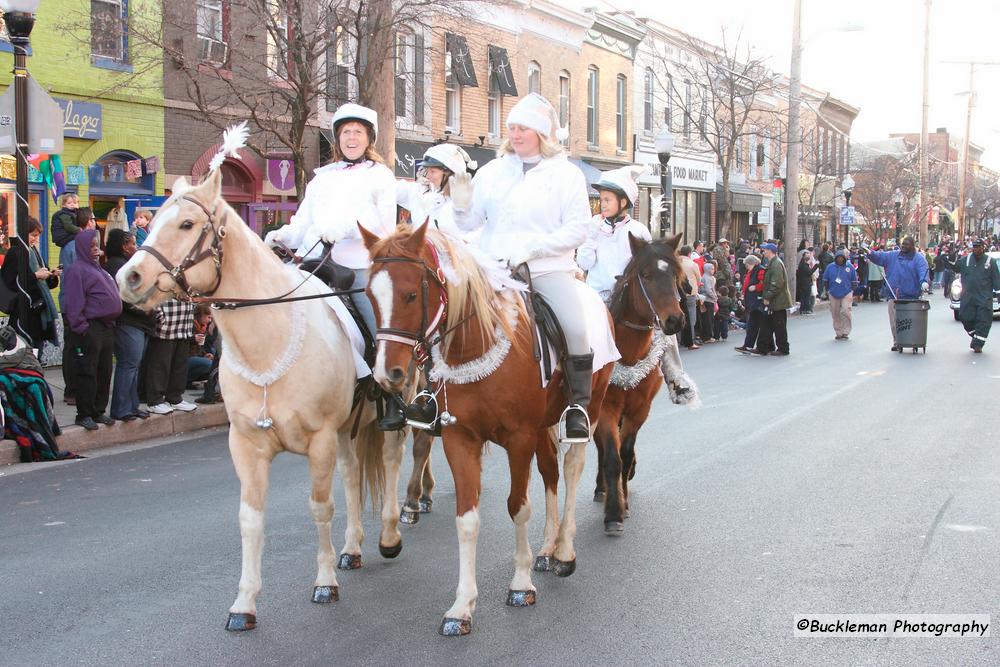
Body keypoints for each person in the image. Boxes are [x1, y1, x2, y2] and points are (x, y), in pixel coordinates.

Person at [450, 93, 594, 442]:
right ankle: (432, 392)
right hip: (492, 268)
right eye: (511, 127)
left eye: (523, 128)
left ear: (542, 133)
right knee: (446, 312)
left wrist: (535, 247)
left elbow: (578, 228)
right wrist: (461, 202)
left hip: (545, 269)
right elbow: (470, 224)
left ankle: (577, 407)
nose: (515, 134)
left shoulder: (566, 174)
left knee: (575, 327)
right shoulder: (493, 171)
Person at [264, 102, 400, 428]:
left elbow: (385, 226)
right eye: (345, 133)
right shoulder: (320, 180)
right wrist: (281, 236)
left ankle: (391, 396)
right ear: (337, 139)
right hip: (315, 263)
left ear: (369, 139)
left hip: (358, 266)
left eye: (357, 132)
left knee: (378, 326)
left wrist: (347, 229)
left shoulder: (380, 176)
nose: (351, 138)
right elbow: (303, 222)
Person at [576, 164, 699, 404]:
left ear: (623, 202)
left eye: (608, 199)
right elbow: (584, 261)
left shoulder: (638, 230)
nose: (603, 204)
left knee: (661, 332)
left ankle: (676, 377)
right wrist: (592, 236)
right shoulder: (593, 226)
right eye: (601, 199)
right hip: (598, 295)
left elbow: (650, 267)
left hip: (628, 295)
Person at [61, 229, 122, 430]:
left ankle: (98, 411)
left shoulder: (99, 269)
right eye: (92, 247)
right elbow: (74, 301)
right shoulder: (76, 270)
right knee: (88, 371)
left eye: (97, 246)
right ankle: (84, 413)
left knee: (104, 371)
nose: (97, 250)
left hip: (106, 327)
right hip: (91, 327)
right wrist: (82, 327)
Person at [104, 229, 155, 422]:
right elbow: (125, 297)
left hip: (137, 322)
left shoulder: (125, 264)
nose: (135, 247)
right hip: (128, 322)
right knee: (128, 364)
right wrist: (144, 308)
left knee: (134, 365)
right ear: (123, 246)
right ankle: (121, 408)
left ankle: (132, 406)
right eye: (132, 243)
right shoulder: (118, 266)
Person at [1, 216, 60, 351]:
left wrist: (51, 275)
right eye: (33, 235)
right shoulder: (15, 253)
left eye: (37, 236)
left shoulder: (34, 252)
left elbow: (44, 283)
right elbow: (11, 282)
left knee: (36, 352)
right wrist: (36, 276)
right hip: (22, 313)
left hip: (37, 312)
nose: (36, 239)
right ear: (23, 233)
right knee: (24, 354)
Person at [863, 236, 930, 352]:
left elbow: (923, 271)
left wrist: (924, 282)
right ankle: (897, 341)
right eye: (902, 244)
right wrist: (870, 252)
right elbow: (880, 257)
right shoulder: (893, 255)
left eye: (907, 244)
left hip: (911, 296)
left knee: (910, 321)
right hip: (894, 295)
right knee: (894, 320)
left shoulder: (919, 259)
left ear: (912, 245)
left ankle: (912, 339)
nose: (903, 246)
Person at [396, 143, 477, 239]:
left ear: (449, 174)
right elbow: (391, 188)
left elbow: (472, 238)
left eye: (433, 171)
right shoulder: (420, 192)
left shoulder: (466, 203)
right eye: (427, 171)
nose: (428, 175)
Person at [146, 299, 198, 415]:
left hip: (184, 325)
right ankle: (155, 401)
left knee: (180, 365)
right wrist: (160, 318)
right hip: (166, 326)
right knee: (160, 365)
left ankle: (175, 398)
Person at [953, 239, 1000, 353]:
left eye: (978, 246)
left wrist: (999, 295)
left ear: (983, 247)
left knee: (983, 321)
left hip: (984, 298)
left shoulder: (991, 262)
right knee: (965, 317)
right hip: (968, 297)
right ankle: (976, 336)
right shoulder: (966, 260)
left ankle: (978, 344)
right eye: (974, 246)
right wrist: (950, 260)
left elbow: (996, 281)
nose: (976, 249)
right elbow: (956, 268)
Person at [749, 242, 791, 356]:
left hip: (778, 301)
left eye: (765, 250)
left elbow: (776, 284)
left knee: (779, 325)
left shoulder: (776, 264)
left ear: (770, 251)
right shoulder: (771, 263)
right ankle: (762, 347)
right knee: (766, 324)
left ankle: (783, 348)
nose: (763, 252)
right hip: (773, 300)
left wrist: (767, 297)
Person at [822, 249, 859, 340]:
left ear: (844, 258)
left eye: (841, 258)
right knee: (835, 313)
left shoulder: (850, 267)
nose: (840, 259)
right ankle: (838, 332)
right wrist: (828, 291)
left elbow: (854, 281)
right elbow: (825, 280)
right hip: (833, 292)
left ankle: (845, 332)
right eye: (838, 258)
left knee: (846, 311)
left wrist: (851, 291)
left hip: (846, 292)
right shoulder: (830, 267)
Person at [736, 254, 766, 354]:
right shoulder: (752, 271)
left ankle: (752, 346)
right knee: (753, 325)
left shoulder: (760, 270)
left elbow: (763, 283)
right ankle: (748, 345)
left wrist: (756, 287)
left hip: (757, 301)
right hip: (752, 301)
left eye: (747, 265)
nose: (746, 267)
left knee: (755, 325)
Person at [677, 245, 702, 350]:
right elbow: (698, 278)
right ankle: (690, 340)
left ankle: (678, 340)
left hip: (677, 293)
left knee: (678, 316)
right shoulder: (693, 264)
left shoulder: (676, 263)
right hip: (690, 293)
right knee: (691, 317)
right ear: (689, 254)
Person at [187, 304, 219, 387]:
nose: (210, 321)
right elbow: (182, 342)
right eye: (208, 317)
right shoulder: (189, 325)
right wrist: (194, 339)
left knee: (214, 365)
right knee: (210, 364)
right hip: (185, 358)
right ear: (201, 315)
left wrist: (205, 354)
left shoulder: (203, 327)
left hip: (195, 356)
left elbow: (200, 347)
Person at [50, 193, 80, 275]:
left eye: (75, 203)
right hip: (63, 237)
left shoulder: (73, 214)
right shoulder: (64, 214)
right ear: (63, 205)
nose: (72, 205)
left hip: (65, 239)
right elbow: (68, 226)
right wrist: (79, 230)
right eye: (69, 203)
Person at [699, 262, 718, 342]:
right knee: (708, 319)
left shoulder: (708, 277)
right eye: (712, 269)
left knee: (707, 319)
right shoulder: (707, 278)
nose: (713, 270)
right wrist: (714, 297)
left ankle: (706, 336)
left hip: (707, 300)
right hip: (708, 300)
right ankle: (708, 337)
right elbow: (708, 290)